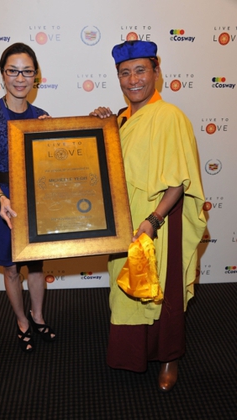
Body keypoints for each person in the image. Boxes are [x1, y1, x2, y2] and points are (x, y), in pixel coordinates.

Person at [90, 40, 206, 391]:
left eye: (140, 70)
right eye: (125, 73)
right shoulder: (123, 118)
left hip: (156, 224)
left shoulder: (170, 116)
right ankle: (134, 353)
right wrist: (103, 127)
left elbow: (179, 184)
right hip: (124, 223)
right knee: (128, 289)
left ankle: (169, 358)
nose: (133, 80)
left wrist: (152, 223)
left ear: (156, 71)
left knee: (163, 293)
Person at [0, 42, 55, 353]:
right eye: (13, 71)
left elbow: (52, 169)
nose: (20, 78)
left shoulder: (42, 117)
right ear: (2, 74)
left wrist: (52, 139)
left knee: (35, 265)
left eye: (27, 71)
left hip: (35, 202)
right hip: (4, 203)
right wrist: (1, 199)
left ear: (36, 76)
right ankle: (21, 320)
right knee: (11, 268)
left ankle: (38, 315)